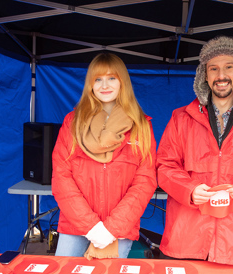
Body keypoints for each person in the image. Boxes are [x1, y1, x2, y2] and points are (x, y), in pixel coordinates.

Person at [156, 35, 233, 265]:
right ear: (204, 75)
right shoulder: (181, 119)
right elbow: (165, 167)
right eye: (213, 69)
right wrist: (190, 189)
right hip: (183, 243)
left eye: (228, 67)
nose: (221, 76)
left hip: (231, 247)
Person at [52, 52, 157, 259]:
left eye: (111, 78)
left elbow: (144, 181)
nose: (104, 85)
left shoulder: (141, 125)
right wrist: (91, 226)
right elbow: (61, 176)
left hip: (118, 229)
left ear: (122, 82)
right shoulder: (72, 123)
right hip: (76, 225)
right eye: (98, 79)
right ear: (90, 84)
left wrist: (111, 229)